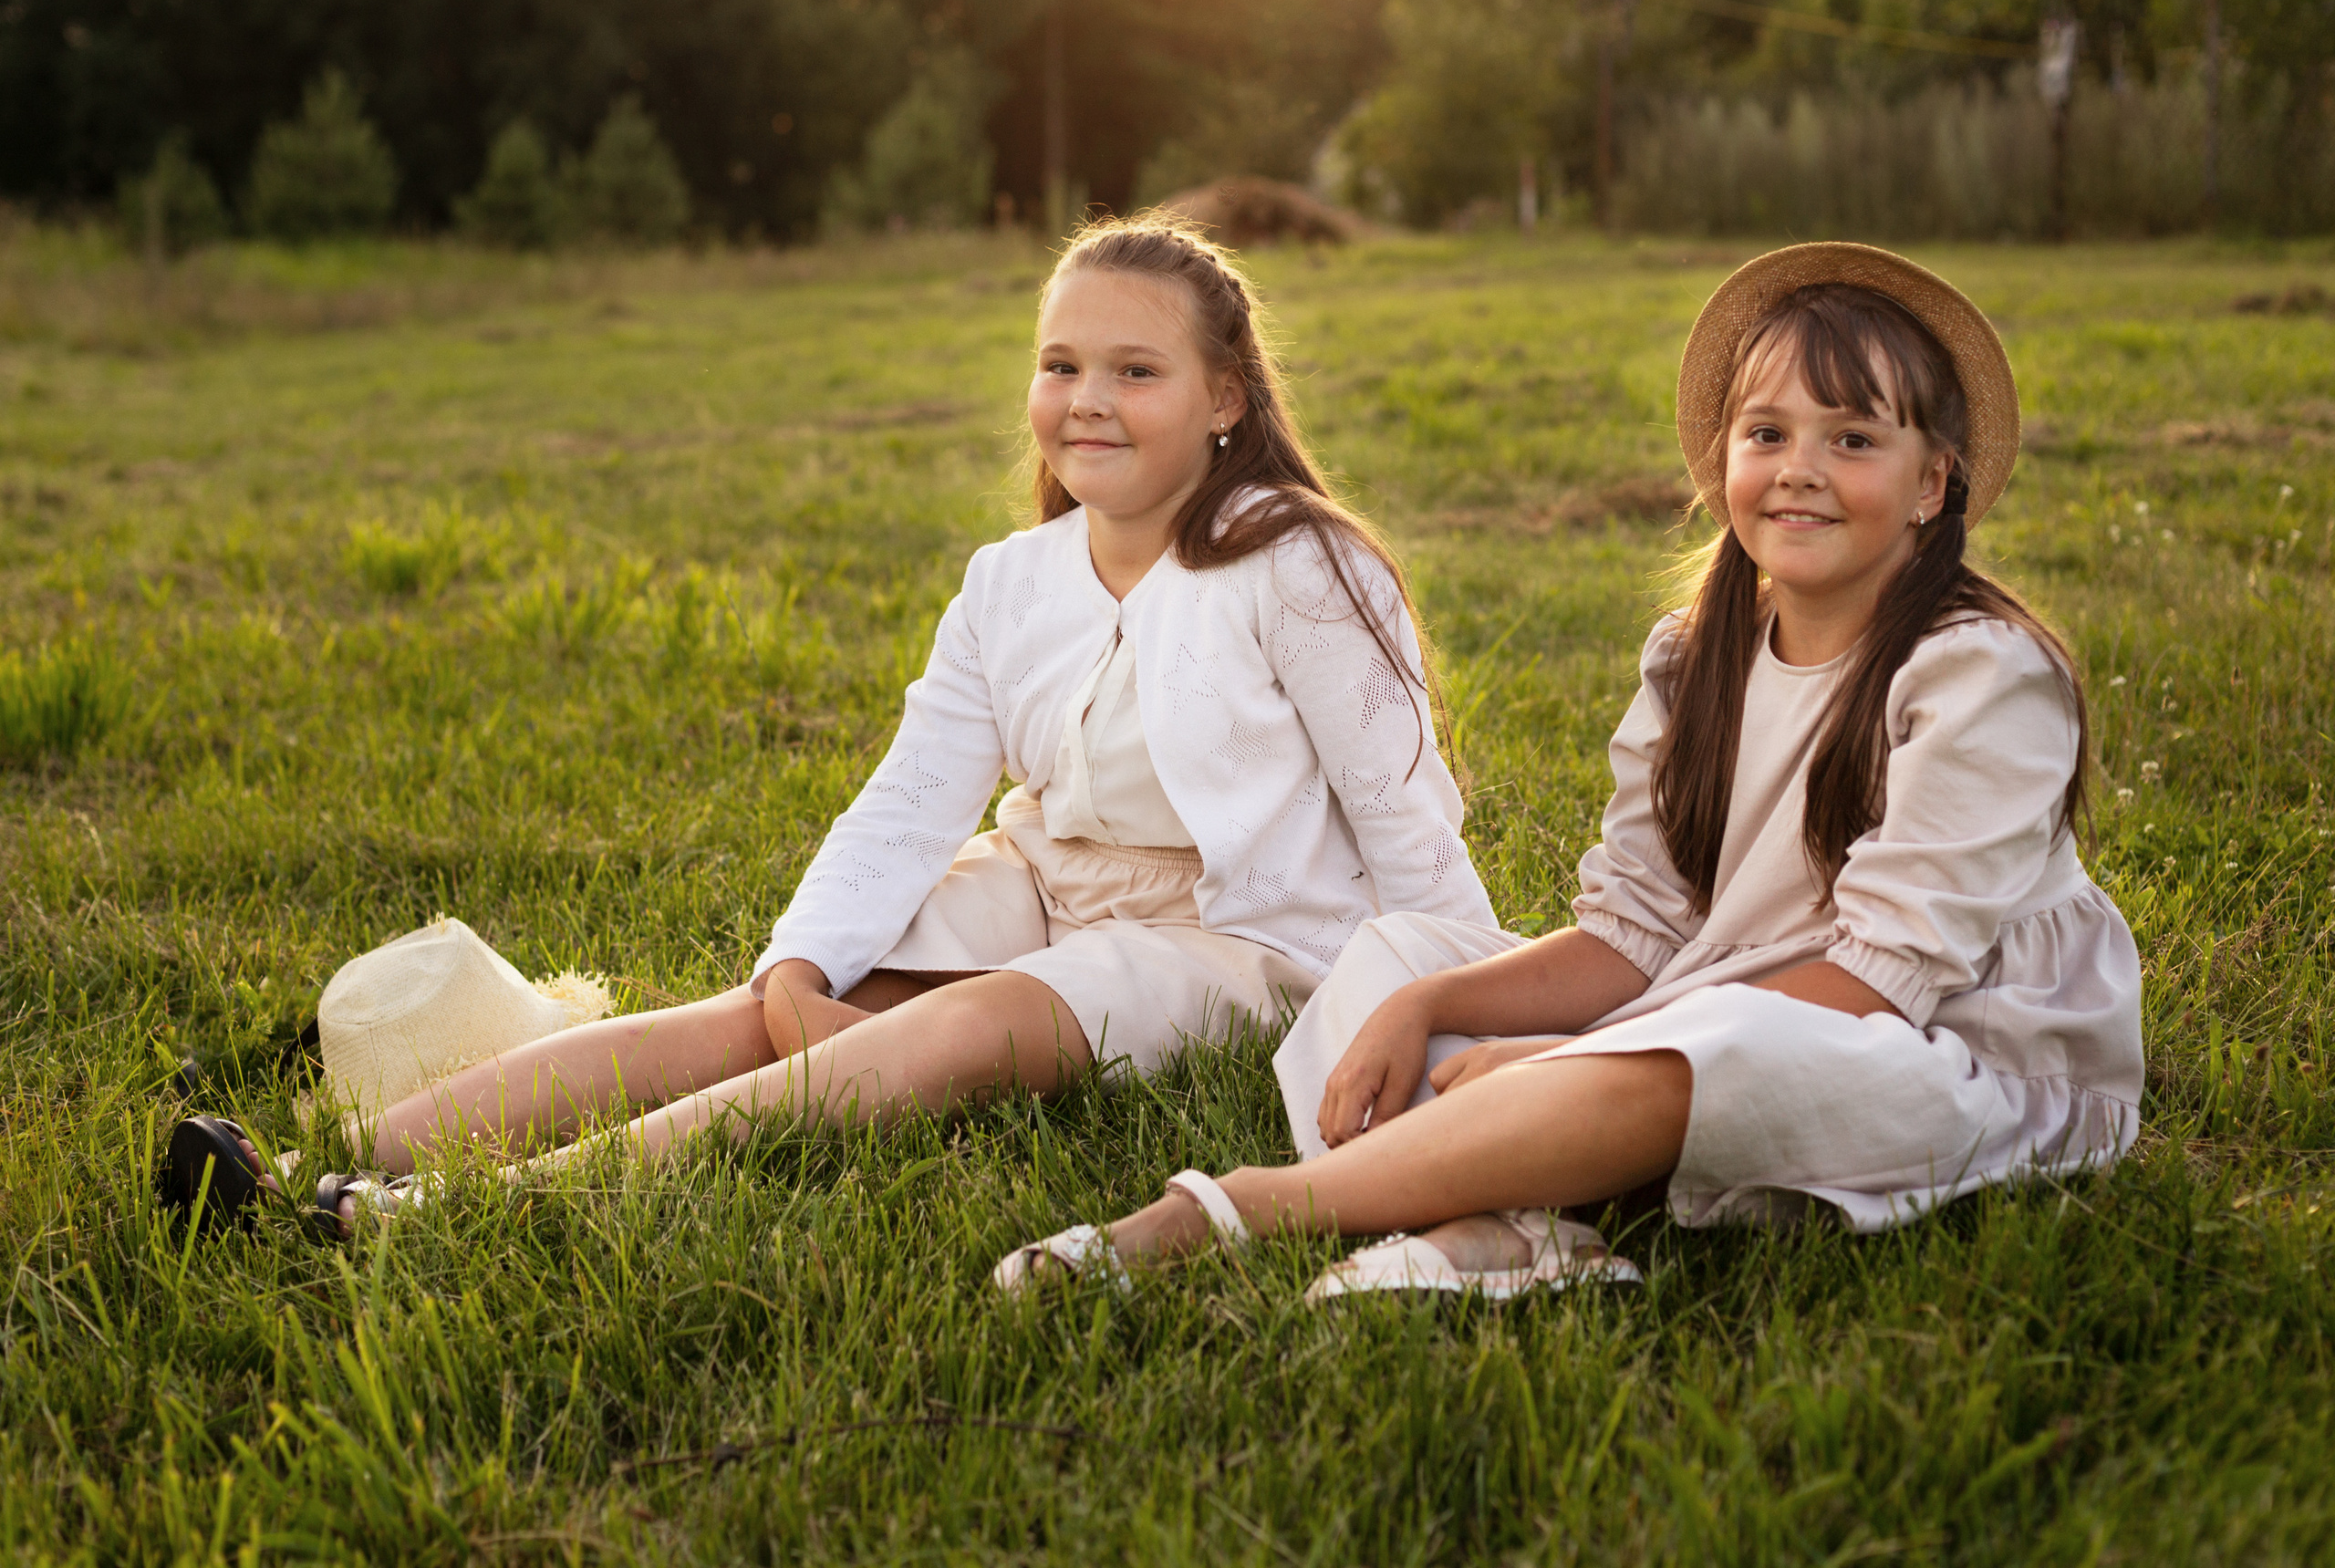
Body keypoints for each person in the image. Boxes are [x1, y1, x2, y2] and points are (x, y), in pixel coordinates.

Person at [184, 215, 1496, 1240]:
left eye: (1134, 371)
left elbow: (1408, 823)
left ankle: (470, 1210)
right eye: (1060, 366)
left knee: (953, 1031)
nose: (1086, 399)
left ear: (1226, 401)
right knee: (760, 1017)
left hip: (1244, 934)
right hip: (1052, 881)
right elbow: (915, 795)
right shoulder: (1012, 579)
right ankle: (310, 1158)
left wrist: (1462, 1011)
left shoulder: (1301, 566)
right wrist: (801, 962)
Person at [995, 243, 2143, 1301]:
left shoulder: (1978, 676)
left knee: (1718, 1046)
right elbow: (1633, 933)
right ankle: (1513, 1227)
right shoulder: (1698, 658)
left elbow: (1883, 983)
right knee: (1388, 954)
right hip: (1718, 1002)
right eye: (1766, 435)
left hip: (1948, 1055)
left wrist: (1579, 1052)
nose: (1799, 472)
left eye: (1851, 440)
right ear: (1721, 459)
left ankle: (1250, 1208)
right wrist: (1427, 1002)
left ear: (1933, 482)